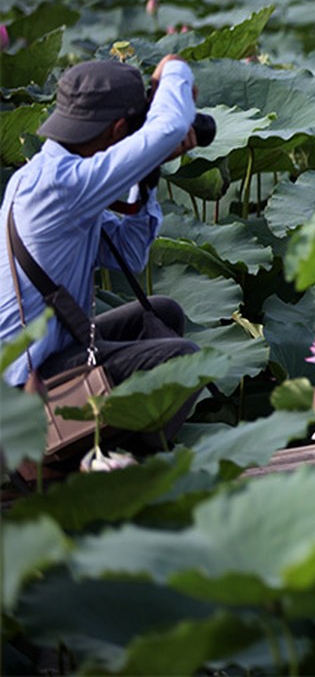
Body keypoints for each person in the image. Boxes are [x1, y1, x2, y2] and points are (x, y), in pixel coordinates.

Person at [1, 54, 202, 454]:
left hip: (48, 355)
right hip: (21, 387)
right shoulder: (62, 186)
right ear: (119, 130)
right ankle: (96, 465)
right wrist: (173, 70)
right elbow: (171, 125)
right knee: (183, 361)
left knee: (161, 315)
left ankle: (94, 445)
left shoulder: (48, 174)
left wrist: (147, 173)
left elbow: (129, 252)